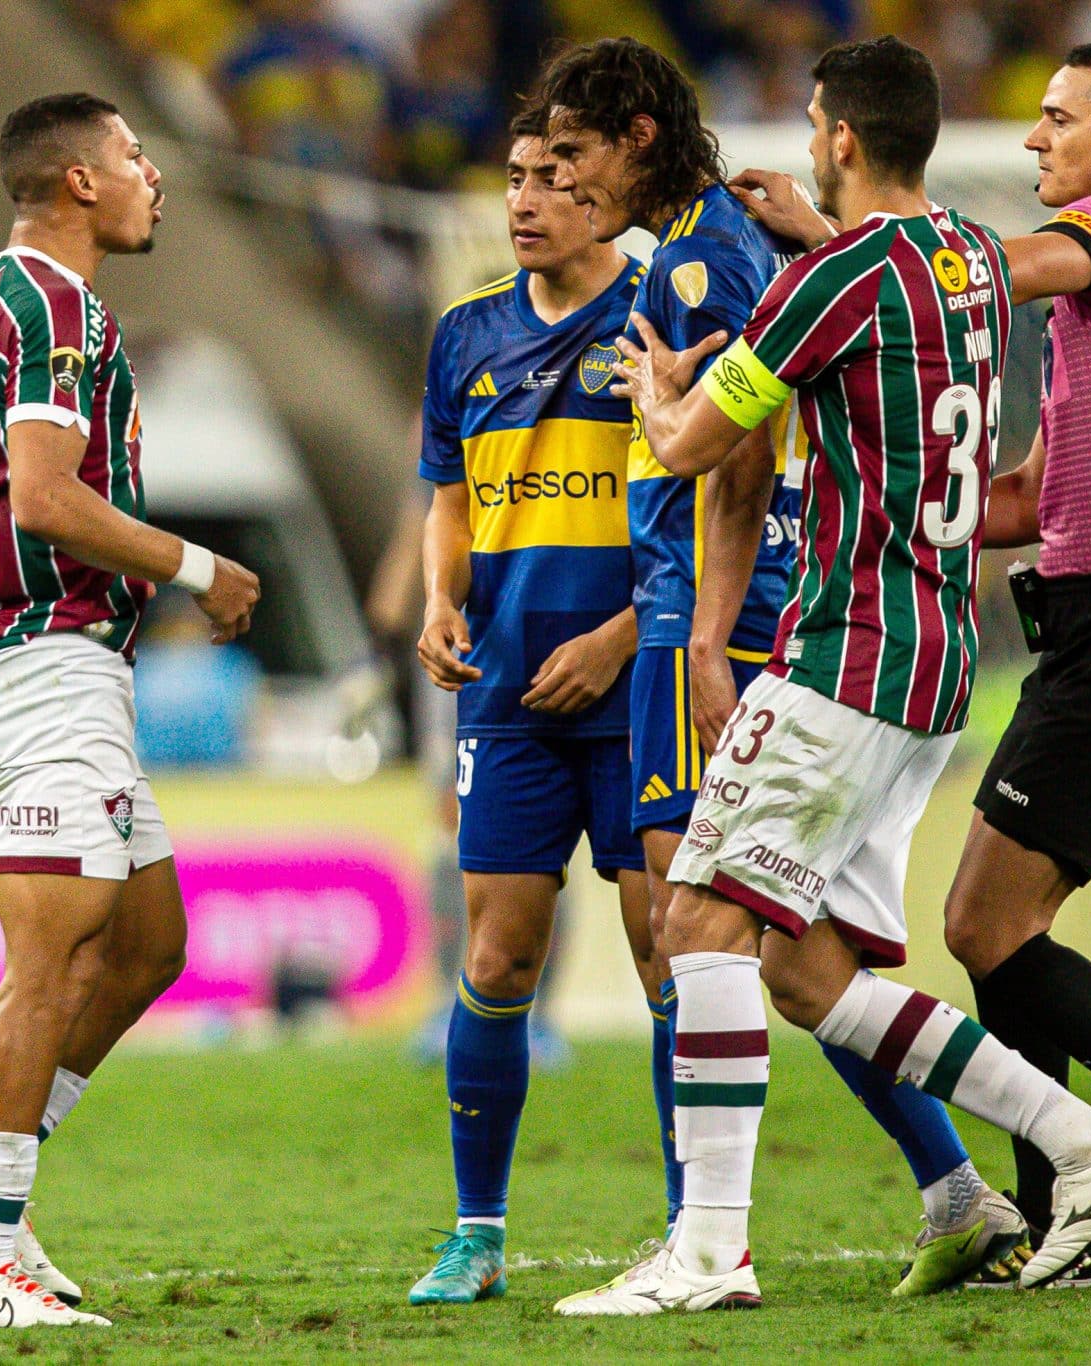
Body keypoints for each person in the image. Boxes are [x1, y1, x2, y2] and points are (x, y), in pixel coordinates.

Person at [557, 37, 1091, 1315]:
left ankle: (706, 1252)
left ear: (834, 136)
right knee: (804, 969)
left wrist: (657, 388)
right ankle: (1081, 1144)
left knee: (697, 923)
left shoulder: (828, 279)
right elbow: (872, 335)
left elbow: (687, 445)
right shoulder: (967, 259)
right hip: (936, 661)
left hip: (844, 651)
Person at [732, 40, 1091, 1290]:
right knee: (984, 926)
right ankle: (1067, 1212)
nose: (1035, 140)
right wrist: (866, 487)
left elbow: (977, 275)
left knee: (987, 924)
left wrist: (850, 236)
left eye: (1057, 119)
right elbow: (1013, 500)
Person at [0, 92, 260, 1329]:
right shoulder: (52, 302)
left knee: (149, 943)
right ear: (82, 182)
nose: (154, 175)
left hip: (31, 658)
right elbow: (41, 499)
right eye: (136, 155)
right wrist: (195, 567)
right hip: (47, 662)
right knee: (45, 965)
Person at [404, 112, 653, 1306]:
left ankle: (690, 1226)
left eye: (553, 178)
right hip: (505, 693)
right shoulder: (465, 333)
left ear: (606, 192)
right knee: (497, 951)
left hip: (641, 683)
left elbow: (716, 505)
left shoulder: (667, 311)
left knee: (672, 957)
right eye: (512, 177)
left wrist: (618, 638)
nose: (524, 198)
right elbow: (446, 498)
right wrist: (439, 601)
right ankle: (475, 1231)